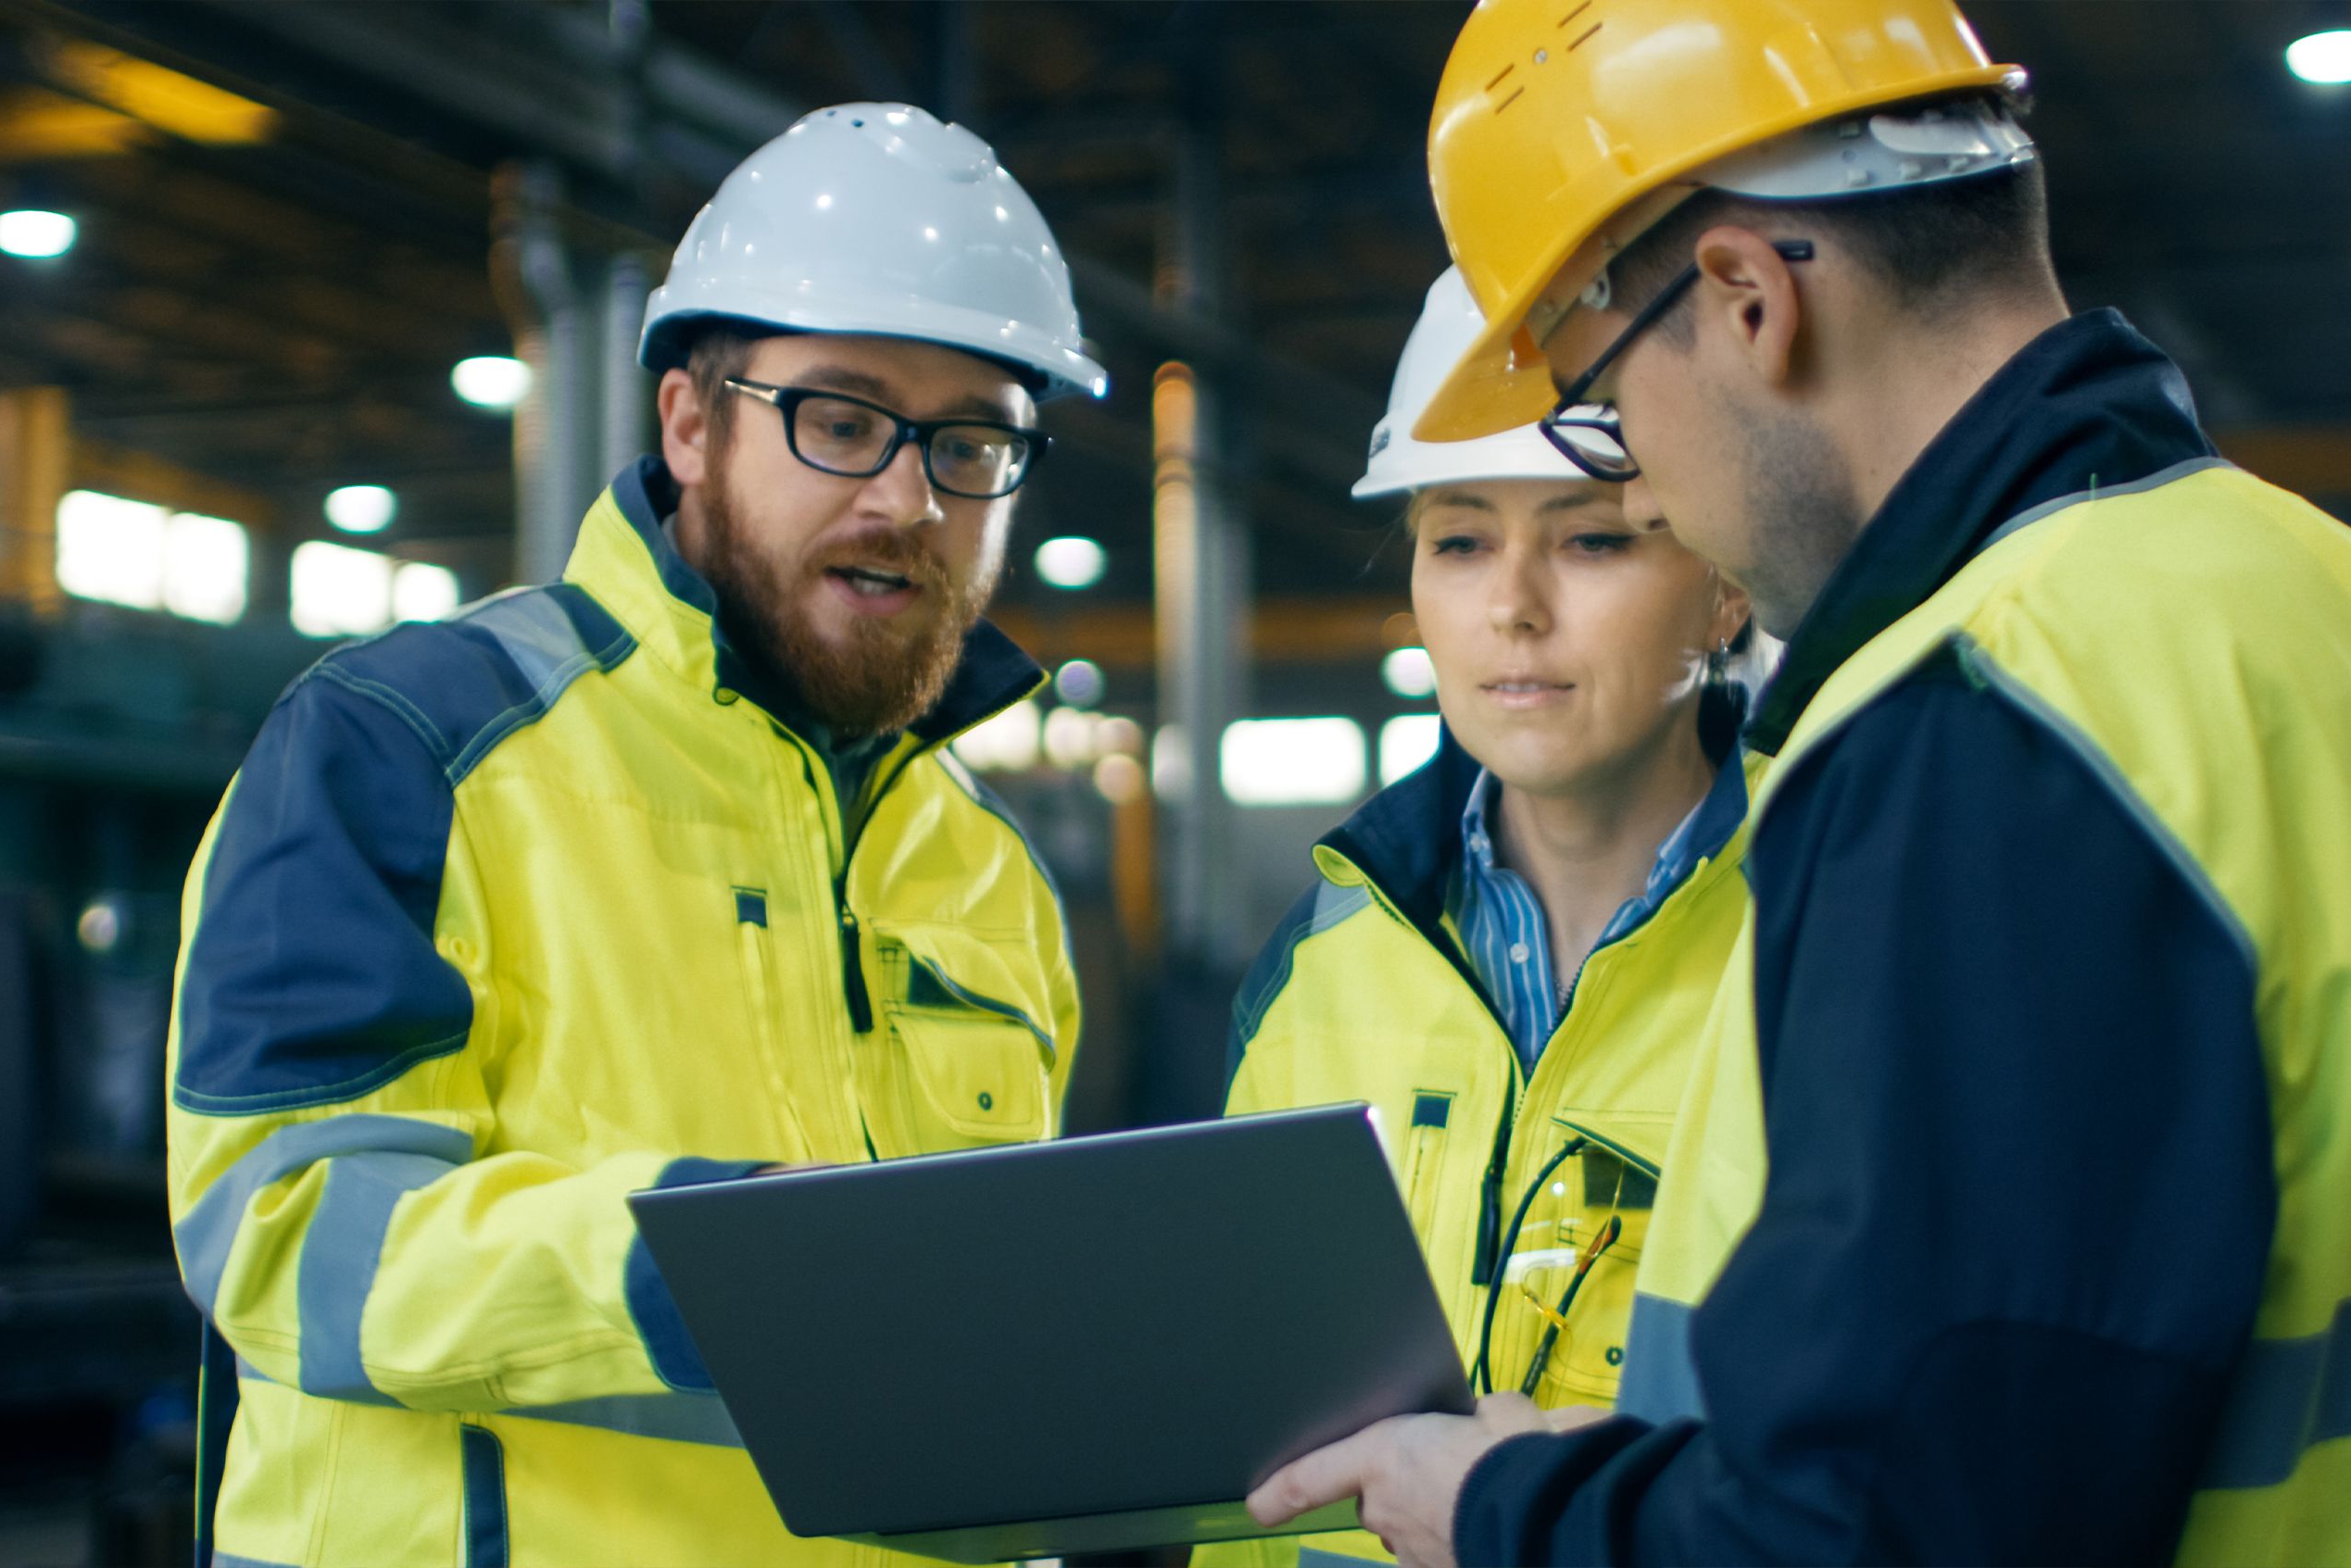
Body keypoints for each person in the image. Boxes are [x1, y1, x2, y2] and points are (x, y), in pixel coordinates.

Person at [1250, 2, 2351, 1564]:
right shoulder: (2295, 585)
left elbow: (1907, 1525)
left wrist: (1510, 1509)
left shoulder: (1980, 715)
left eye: (1602, 408)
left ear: (1749, 298)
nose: (1654, 482)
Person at [165, 103, 1101, 1568]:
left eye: (973, 442)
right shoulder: (406, 746)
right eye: (842, 420)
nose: (908, 499)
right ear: (689, 421)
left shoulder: (990, 875)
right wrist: (717, 1263)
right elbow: (283, 1242)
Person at [1201, 266, 1755, 1568]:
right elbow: (1245, 1465)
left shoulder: (1835, 925)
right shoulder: (1318, 960)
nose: (1512, 603)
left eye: (1592, 537)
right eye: (1458, 541)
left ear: (1725, 587)